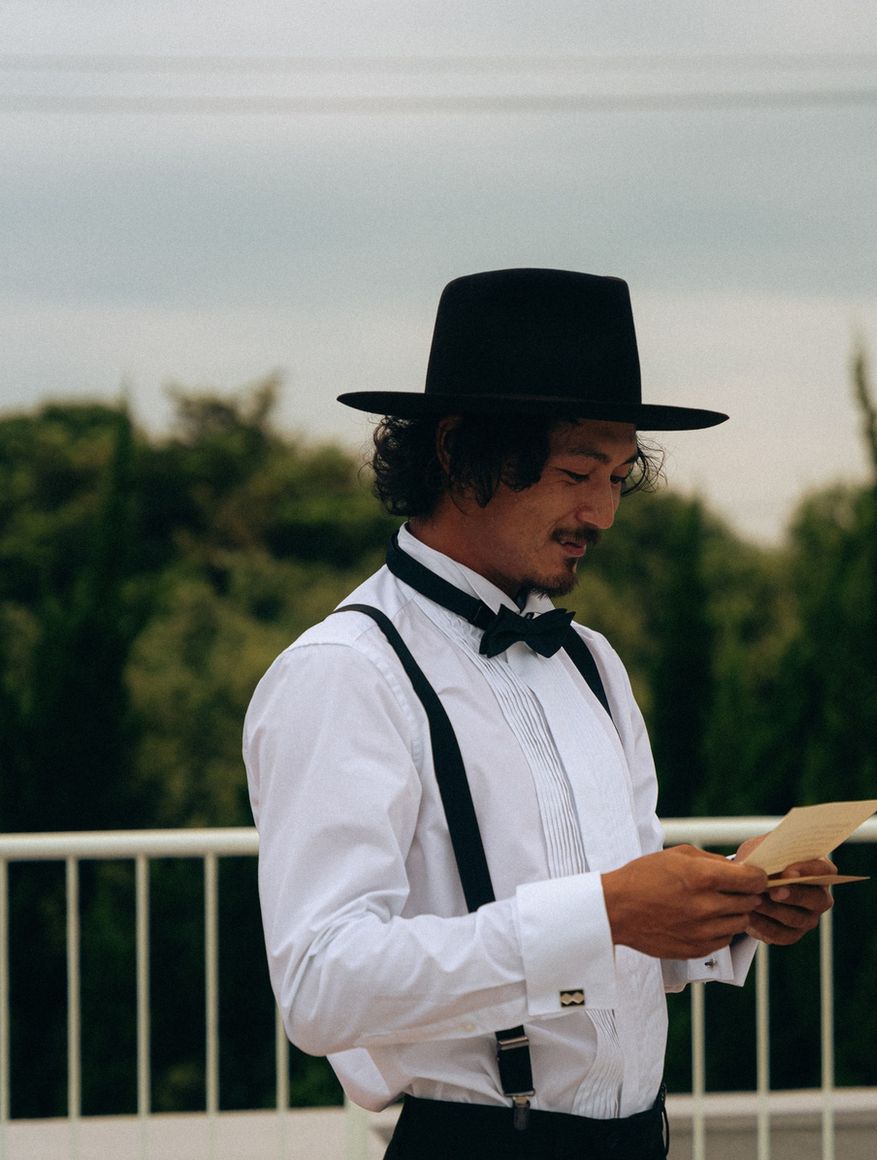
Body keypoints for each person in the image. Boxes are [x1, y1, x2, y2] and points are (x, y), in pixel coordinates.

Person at [243, 268, 837, 1159]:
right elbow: (323, 987)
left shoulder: (591, 662)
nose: (603, 512)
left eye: (619, 477)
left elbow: (617, 938)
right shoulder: (345, 673)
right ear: (459, 452)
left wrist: (727, 906)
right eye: (576, 473)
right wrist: (604, 914)